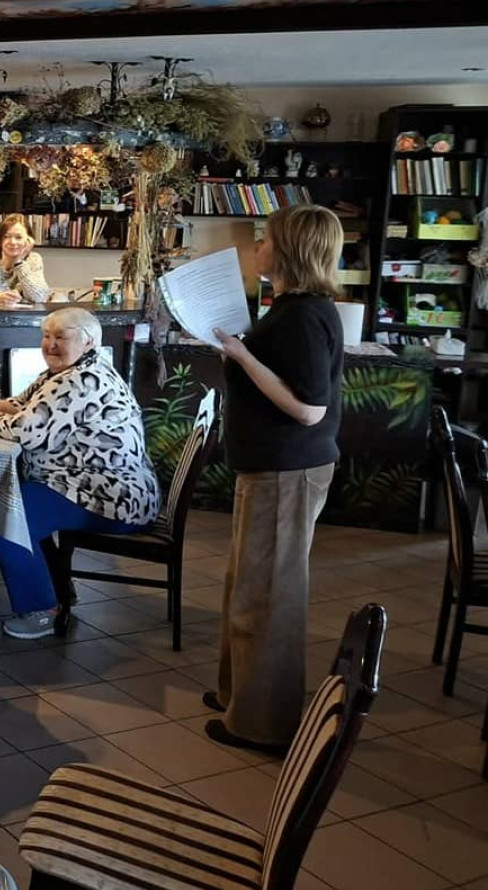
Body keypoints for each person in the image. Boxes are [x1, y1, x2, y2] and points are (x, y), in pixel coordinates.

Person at [206, 204, 345, 753]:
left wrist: (242, 356)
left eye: (265, 240)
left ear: (288, 250)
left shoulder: (304, 315)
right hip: (272, 466)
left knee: (268, 598)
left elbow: (309, 408)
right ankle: (239, 698)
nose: (257, 247)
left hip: (289, 468)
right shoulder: (290, 308)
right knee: (248, 587)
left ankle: (262, 724)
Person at [0, 307, 159, 639]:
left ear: (88, 342)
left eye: (61, 337)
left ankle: (42, 610)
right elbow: (23, 405)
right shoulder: (68, 371)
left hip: (112, 497)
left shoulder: (80, 380)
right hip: (92, 486)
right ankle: (58, 589)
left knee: (3, 517)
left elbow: (26, 430)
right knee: (17, 506)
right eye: (46, 336)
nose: (50, 344)